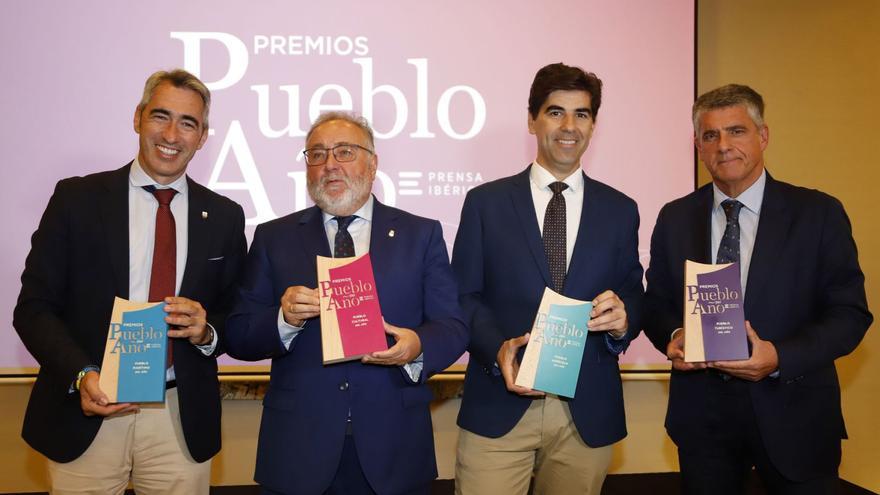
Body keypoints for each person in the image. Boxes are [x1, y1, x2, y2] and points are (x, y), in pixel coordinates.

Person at [13, 69, 247, 494]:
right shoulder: (76, 199)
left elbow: (238, 314)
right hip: (88, 409)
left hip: (179, 418)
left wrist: (207, 329)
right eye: (161, 116)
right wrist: (83, 375)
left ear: (203, 136)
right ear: (138, 118)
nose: (172, 134)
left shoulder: (226, 217)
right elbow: (34, 308)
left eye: (188, 123)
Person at [643, 84, 872, 494]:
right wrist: (674, 336)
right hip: (703, 423)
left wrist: (780, 356)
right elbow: (656, 302)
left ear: (763, 136)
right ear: (698, 146)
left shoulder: (818, 214)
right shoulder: (675, 217)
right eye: (711, 135)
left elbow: (850, 314)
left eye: (737, 131)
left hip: (795, 414)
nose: (724, 146)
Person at [225, 111, 468, 495]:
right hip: (298, 447)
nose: (330, 165)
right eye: (317, 154)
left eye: (344, 152)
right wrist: (283, 320)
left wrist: (416, 346)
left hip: (395, 444)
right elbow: (238, 332)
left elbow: (453, 326)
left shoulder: (420, 234)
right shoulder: (274, 237)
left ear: (373, 164)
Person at [451, 63, 644, 495]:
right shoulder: (486, 203)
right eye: (556, 112)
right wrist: (496, 348)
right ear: (532, 119)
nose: (569, 126)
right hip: (500, 402)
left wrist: (625, 317)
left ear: (594, 124)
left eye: (582, 114)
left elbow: (632, 288)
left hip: (586, 411)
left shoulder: (620, 209)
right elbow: (463, 295)